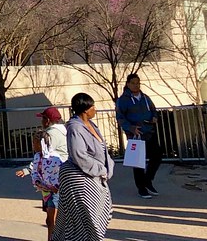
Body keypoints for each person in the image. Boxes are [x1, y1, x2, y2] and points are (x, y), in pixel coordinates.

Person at [52, 92, 113, 241]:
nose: (95, 109)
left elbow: (102, 150)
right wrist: (101, 170)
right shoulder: (75, 128)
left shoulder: (91, 125)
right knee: (84, 219)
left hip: (94, 176)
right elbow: (79, 156)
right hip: (78, 178)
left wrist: (107, 168)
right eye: (93, 107)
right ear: (85, 110)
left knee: (98, 215)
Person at [15, 106, 69, 241]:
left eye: (43, 118)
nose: (41, 121)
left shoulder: (51, 135)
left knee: (52, 216)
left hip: (54, 182)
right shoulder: (63, 131)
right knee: (52, 215)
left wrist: (28, 170)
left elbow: (43, 156)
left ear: (47, 120)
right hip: (53, 180)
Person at [115, 73, 163, 198]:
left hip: (149, 132)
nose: (136, 85)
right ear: (128, 84)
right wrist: (131, 128)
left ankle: (148, 180)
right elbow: (120, 118)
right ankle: (141, 187)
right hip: (135, 135)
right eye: (133, 83)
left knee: (157, 156)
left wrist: (154, 117)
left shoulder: (145, 98)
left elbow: (153, 110)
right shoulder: (123, 100)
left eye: (138, 83)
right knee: (138, 162)